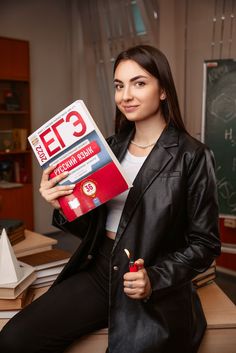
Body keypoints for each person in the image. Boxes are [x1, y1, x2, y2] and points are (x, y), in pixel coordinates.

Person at [0, 45, 221, 353]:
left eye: (139, 83)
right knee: (12, 340)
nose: (125, 95)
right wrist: (61, 203)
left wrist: (153, 278)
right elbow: (90, 228)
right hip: (100, 267)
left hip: (148, 274)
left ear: (162, 91)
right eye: (119, 85)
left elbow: (205, 244)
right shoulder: (107, 147)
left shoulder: (193, 156)